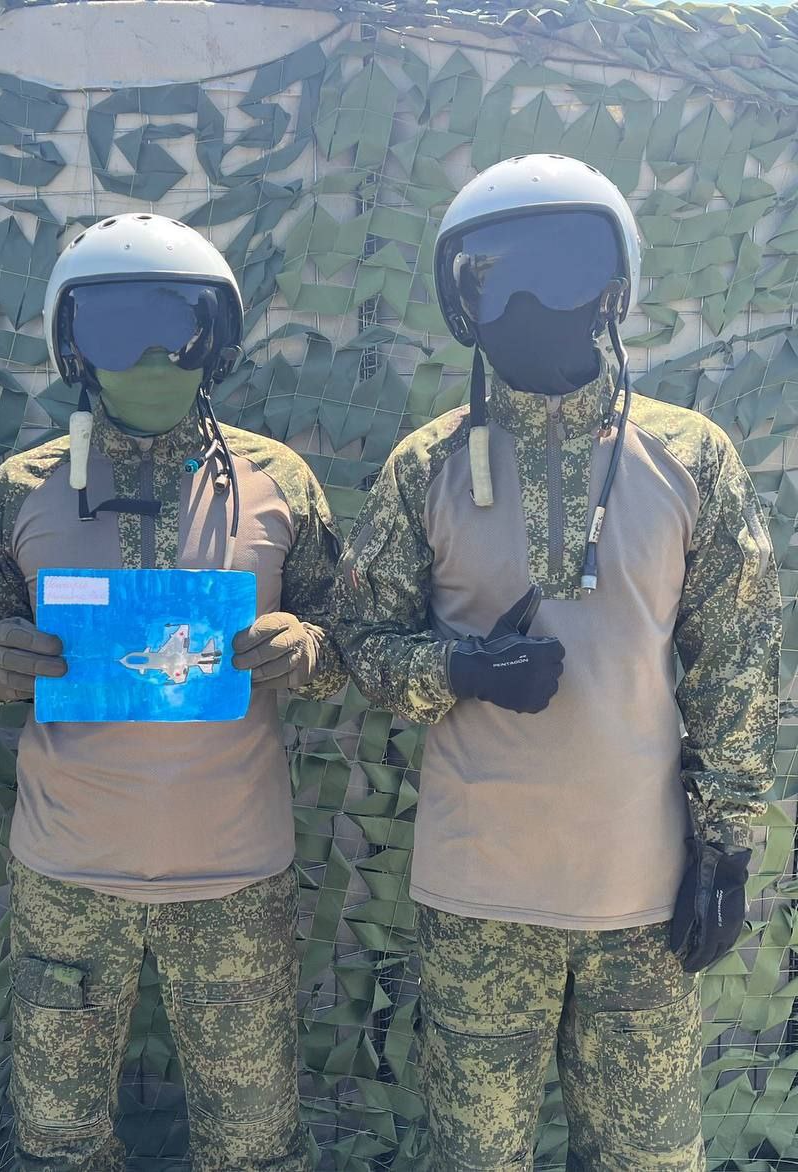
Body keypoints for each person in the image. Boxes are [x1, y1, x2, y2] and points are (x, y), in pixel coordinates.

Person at [334, 154, 780, 1171]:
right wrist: (456, 668)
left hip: (642, 897)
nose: (538, 297)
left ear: (614, 285)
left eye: (568, 266)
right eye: (503, 274)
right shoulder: (428, 464)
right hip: (479, 899)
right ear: (464, 298)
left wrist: (722, 849)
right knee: (477, 1154)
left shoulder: (688, 455)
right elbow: (358, 638)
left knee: (646, 1157)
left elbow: (735, 659)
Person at [0, 212, 346, 1170]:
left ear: (219, 340)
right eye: (119, 330)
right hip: (68, 878)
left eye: (182, 327)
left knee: (254, 1144)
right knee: (59, 1140)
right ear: (73, 345)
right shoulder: (21, 488)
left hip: (236, 877)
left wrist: (309, 649)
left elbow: (350, 634)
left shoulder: (278, 480)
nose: (156, 355)